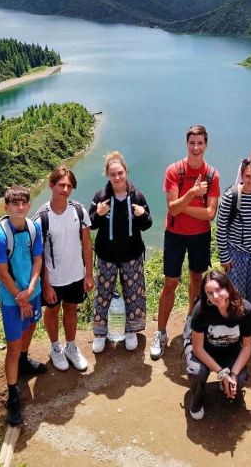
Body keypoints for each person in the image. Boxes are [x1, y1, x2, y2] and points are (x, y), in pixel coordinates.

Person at [154, 125, 221, 360]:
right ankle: (161, 331)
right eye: (192, 143)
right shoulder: (174, 170)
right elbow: (172, 208)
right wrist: (192, 193)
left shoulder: (212, 174)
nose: (196, 147)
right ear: (187, 144)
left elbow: (210, 214)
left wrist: (183, 207)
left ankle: (192, 319)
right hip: (174, 234)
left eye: (200, 143)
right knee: (170, 282)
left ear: (206, 144)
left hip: (199, 235)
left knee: (196, 278)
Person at [0, 185, 45, 426]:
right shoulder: (1, 236)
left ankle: (24, 360)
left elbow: (38, 259)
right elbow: (2, 273)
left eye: (24, 203)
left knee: (30, 328)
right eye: (15, 204)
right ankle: (12, 394)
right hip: (12, 299)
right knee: (12, 345)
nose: (20, 208)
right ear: (7, 207)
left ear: (29, 205)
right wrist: (20, 297)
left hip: (32, 292)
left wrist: (31, 289)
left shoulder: (34, 228)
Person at [89, 152, 152, 355]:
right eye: (112, 174)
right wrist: (97, 215)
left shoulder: (137, 196)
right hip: (107, 255)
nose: (117, 177)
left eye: (120, 173)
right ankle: (100, 333)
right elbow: (90, 224)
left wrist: (143, 215)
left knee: (134, 293)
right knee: (102, 294)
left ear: (126, 172)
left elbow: (148, 224)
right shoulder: (101, 197)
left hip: (132, 254)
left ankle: (132, 330)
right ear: (107, 175)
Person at [35, 166, 93, 372]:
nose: (65, 189)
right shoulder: (42, 217)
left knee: (71, 308)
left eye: (69, 186)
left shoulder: (79, 210)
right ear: (51, 185)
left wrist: (89, 273)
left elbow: (87, 244)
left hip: (76, 274)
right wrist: (46, 283)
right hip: (53, 277)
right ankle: (54, 347)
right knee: (52, 310)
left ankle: (70, 346)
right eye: (61, 185)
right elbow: (38, 254)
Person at [184, 270, 251, 421]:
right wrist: (222, 373)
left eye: (219, 290)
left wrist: (233, 374)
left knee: (240, 379)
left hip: (230, 350)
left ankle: (226, 383)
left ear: (228, 288)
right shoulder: (201, 309)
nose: (216, 296)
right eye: (210, 293)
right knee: (196, 371)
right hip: (203, 350)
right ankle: (197, 400)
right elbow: (198, 349)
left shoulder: (246, 309)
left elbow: (247, 346)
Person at [217, 158, 251, 312]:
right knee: (235, 293)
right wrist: (224, 256)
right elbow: (221, 227)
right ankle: (236, 326)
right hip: (235, 252)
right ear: (242, 175)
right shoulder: (231, 196)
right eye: (248, 176)